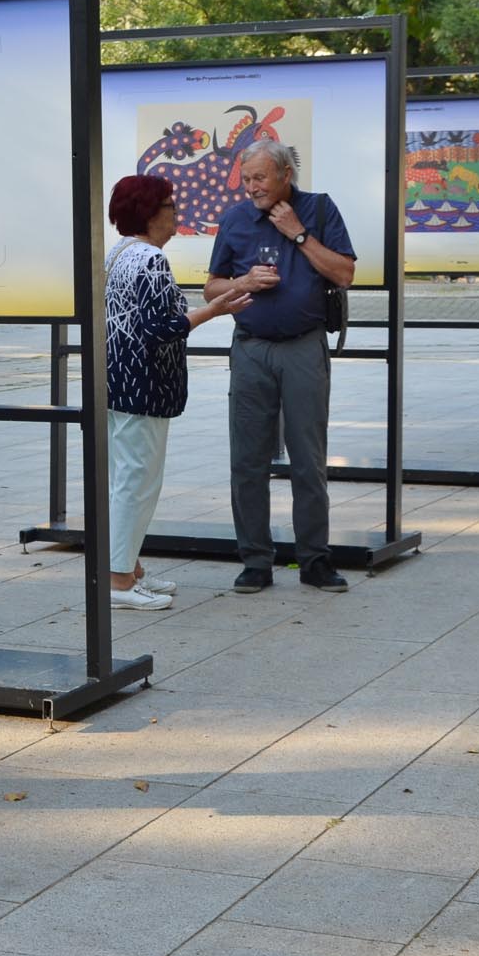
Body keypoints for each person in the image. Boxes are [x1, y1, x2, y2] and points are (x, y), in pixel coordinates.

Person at [205, 140, 357, 595]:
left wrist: (298, 234)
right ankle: (255, 561)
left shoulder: (319, 210)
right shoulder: (234, 219)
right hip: (250, 348)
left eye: (259, 178)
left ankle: (314, 561)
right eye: (245, 179)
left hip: (303, 347)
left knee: (308, 460)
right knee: (247, 459)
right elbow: (211, 288)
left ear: (284, 175)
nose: (251, 187)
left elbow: (345, 274)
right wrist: (242, 282)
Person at [103, 175, 251, 610]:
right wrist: (214, 310)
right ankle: (118, 582)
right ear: (150, 213)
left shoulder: (120, 253)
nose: (175, 212)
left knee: (125, 480)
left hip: (118, 382)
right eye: (169, 205)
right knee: (138, 483)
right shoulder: (149, 260)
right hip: (142, 385)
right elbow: (159, 329)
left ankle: (128, 569)